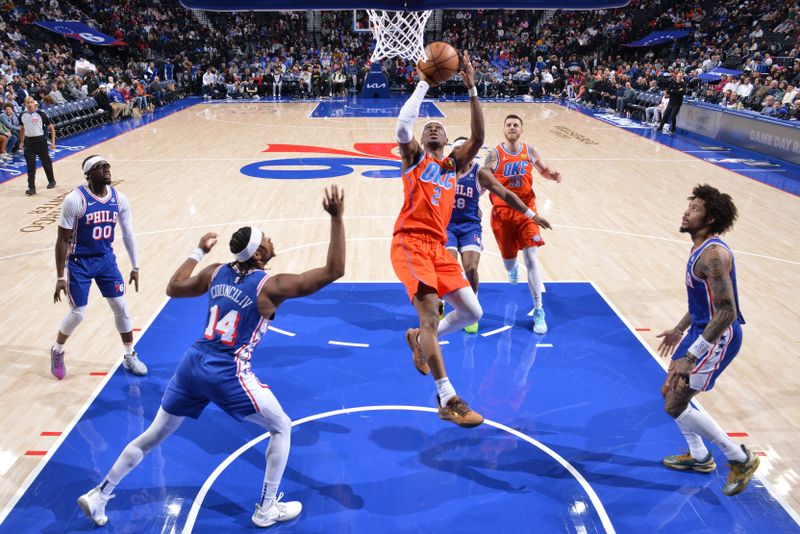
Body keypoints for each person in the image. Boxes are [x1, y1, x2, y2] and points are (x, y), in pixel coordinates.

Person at [78, 186, 346, 528]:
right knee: (282, 428)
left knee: (154, 434)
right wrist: (337, 219)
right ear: (259, 254)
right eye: (267, 239)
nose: (272, 239)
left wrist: (198, 250)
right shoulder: (271, 286)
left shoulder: (216, 270)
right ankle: (265, 508)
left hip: (192, 363)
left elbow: (174, 287)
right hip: (227, 370)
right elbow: (334, 270)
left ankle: (100, 493)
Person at [392, 51, 486, 428]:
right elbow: (402, 128)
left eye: (438, 128)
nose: (431, 129)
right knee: (431, 314)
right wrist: (423, 84)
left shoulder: (454, 165)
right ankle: (447, 397)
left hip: (438, 246)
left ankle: (418, 339)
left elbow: (479, 137)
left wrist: (472, 88)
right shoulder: (415, 159)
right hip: (410, 242)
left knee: (473, 312)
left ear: (448, 141)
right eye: (428, 126)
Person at [656, 184, 759, 496]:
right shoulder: (699, 248)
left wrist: (692, 354)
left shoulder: (713, 256)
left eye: (696, 209)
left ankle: (739, 458)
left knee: (675, 403)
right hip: (700, 331)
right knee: (669, 391)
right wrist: (679, 329)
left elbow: (727, 311)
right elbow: (703, 303)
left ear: (711, 219)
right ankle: (700, 457)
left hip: (718, 337)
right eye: (690, 206)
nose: (687, 212)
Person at [51, 155, 147, 380]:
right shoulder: (74, 200)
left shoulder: (120, 199)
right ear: (88, 174)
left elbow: (128, 232)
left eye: (107, 166)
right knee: (78, 314)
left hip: (105, 260)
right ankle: (57, 350)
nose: (106, 169)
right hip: (79, 262)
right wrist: (59, 277)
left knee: (121, 307)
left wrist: (135, 266)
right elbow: (62, 240)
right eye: (99, 167)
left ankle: (129, 355)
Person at [445, 136, 552, 334]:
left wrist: (531, 214)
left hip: (470, 227)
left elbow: (505, 193)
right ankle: (441, 304)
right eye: (457, 149)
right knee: (450, 268)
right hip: (447, 226)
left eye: (464, 149)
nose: (461, 152)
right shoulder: (442, 170)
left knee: (471, 268)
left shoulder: (480, 173)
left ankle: (472, 308)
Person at [483, 114, 562, 334]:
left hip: (528, 212)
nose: (512, 128)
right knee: (509, 263)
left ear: (521, 130)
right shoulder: (493, 155)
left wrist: (551, 174)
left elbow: (543, 170)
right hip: (503, 215)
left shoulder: (530, 151)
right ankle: (513, 267)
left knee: (532, 257)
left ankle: (538, 310)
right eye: (508, 125)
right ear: (503, 129)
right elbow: (483, 181)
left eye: (516, 125)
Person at [19, 96, 56, 195]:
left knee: (46, 162)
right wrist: (22, 142)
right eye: (27, 103)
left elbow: (51, 128)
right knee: (30, 165)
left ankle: (51, 181)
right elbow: (22, 129)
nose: (29, 104)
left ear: (34, 103)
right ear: (25, 104)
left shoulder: (41, 114)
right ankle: (31, 188)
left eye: (31, 102)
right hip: (28, 142)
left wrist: (52, 142)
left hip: (40, 140)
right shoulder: (22, 115)